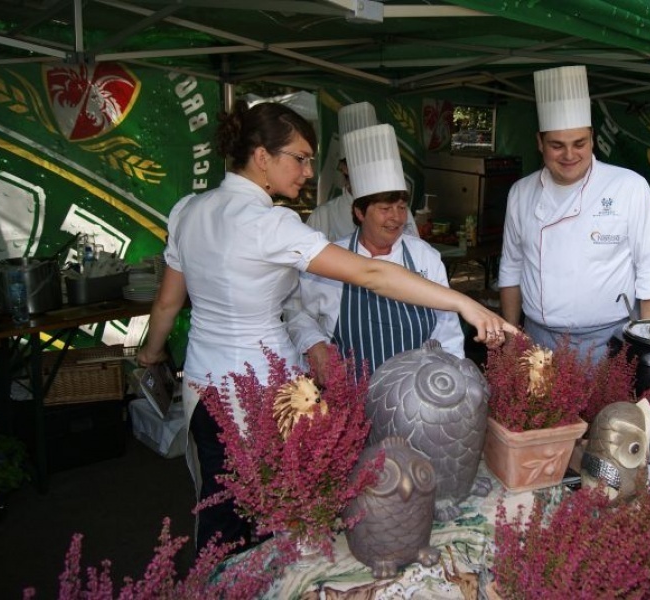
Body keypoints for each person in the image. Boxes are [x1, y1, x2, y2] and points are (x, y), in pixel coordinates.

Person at [136, 101, 514, 553]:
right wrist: (466, 304)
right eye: (298, 158)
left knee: (221, 509)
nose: (308, 173)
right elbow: (372, 275)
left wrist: (150, 354)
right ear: (262, 157)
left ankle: (220, 580)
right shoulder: (270, 224)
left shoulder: (188, 211)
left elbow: (166, 303)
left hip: (204, 384)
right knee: (280, 511)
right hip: (270, 390)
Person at [498, 65, 650, 363]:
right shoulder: (521, 193)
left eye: (579, 143)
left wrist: (643, 347)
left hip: (609, 341)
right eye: (557, 145)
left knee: (604, 411)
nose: (569, 155)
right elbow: (511, 266)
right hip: (537, 339)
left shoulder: (629, 187)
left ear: (592, 137)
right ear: (540, 142)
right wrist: (513, 334)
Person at [287, 124, 464, 381]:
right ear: (360, 212)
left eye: (402, 207)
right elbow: (297, 311)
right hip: (349, 394)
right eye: (385, 208)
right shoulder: (332, 259)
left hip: (418, 396)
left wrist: (452, 382)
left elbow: (447, 329)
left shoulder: (425, 257)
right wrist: (314, 344)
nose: (396, 218)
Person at [307, 101, 419, 241]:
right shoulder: (324, 216)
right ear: (344, 168)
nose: (372, 171)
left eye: (376, 163)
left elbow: (415, 250)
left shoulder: (399, 211)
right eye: (362, 165)